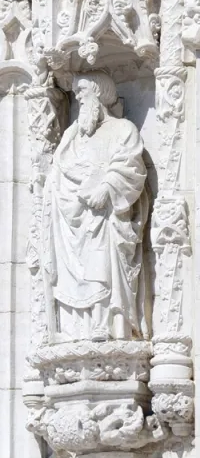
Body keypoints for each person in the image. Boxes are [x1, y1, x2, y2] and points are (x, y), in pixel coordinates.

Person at [42, 72, 149, 342]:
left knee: (102, 261)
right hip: (73, 219)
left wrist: (106, 187)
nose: (77, 96)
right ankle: (75, 328)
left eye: (82, 90)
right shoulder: (71, 136)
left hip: (106, 216)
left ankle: (107, 324)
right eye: (75, 91)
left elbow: (131, 166)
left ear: (99, 92)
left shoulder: (123, 129)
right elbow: (59, 169)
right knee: (76, 270)